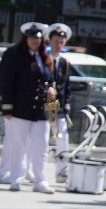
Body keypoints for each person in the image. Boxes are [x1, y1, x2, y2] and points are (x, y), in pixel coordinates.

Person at [0, 21, 56, 193]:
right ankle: (16, 178)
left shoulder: (45, 56)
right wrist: (7, 107)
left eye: (37, 38)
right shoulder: (13, 54)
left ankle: (40, 180)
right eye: (31, 38)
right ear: (25, 38)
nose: (34, 41)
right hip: (20, 107)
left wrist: (51, 89)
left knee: (41, 146)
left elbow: (49, 78)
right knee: (18, 145)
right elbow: (6, 82)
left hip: (40, 110)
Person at [45, 23, 76, 184]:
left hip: (58, 107)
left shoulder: (65, 63)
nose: (59, 44)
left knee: (62, 138)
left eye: (61, 41)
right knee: (40, 140)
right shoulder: (42, 59)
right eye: (56, 41)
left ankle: (62, 171)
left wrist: (67, 105)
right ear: (49, 41)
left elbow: (66, 86)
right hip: (43, 106)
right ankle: (34, 171)